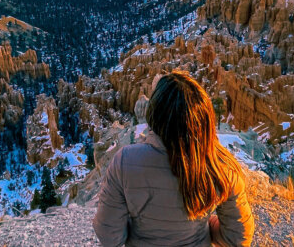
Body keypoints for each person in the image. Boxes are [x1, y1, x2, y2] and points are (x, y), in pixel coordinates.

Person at [93, 71, 255, 246]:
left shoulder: (125, 161)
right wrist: (205, 227)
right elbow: (238, 237)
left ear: (155, 112)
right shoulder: (220, 165)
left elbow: (109, 235)